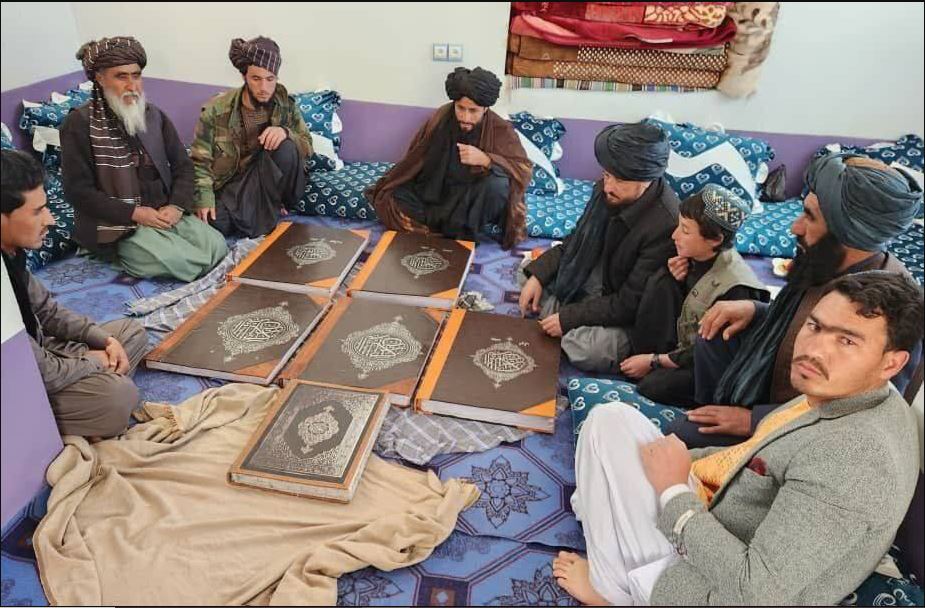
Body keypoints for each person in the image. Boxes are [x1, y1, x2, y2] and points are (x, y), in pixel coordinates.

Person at [555, 270, 922, 605]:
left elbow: (755, 591)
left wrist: (673, 491)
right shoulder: (850, 392)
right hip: (725, 514)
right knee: (612, 420)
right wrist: (683, 463)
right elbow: (755, 452)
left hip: (711, 587)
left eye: (847, 341)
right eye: (814, 326)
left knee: (605, 440)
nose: (814, 349)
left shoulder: (856, 460)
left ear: (892, 363)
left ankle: (611, 591)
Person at [669, 154, 923, 447]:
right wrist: (756, 310)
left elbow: (861, 413)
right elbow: (799, 320)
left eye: (809, 217)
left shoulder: (894, 307)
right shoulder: (825, 259)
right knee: (717, 328)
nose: (795, 228)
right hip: (778, 385)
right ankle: (712, 409)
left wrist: (754, 420)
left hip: (808, 432)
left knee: (682, 433)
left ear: (847, 232)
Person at [2, 149, 148, 437]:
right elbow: (41, 374)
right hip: (16, 382)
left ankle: (91, 391)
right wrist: (94, 361)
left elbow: (47, 311)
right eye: (37, 212)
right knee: (118, 398)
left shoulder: (11, 251)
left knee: (129, 333)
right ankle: (35, 426)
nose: (50, 220)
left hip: (38, 353)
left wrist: (103, 340)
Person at [60, 36, 227, 281]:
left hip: (162, 210)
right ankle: (116, 253)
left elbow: (183, 166)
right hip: (119, 222)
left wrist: (176, 206)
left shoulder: (154, 115)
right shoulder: (79, 123)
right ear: (100, 78)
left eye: (136, 76)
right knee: (181, 261)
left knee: (217, 247)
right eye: (121, 77)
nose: (132, 85)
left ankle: (159, 243)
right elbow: (78, 191)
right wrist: (135, 213)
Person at [519, 122, 679, 372]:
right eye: (606, 175)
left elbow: (629, 303)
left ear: (646, 180)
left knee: (591, 351)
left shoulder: (666, 224)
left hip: (626, 309)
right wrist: (539, 276)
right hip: (596, 275)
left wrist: (569, 318)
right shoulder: (606, 190)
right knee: (528, 273)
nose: (608, 186)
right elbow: (576, 241)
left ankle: (561, 319)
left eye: (619, 180)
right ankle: (563, 320)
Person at [620, 185, 768, 406]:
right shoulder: (695, 257)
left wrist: (654, 361)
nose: (674, 235)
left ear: (715, 239)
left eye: (685, 231)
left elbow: (710, 349)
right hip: (686, 344)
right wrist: (676, 280)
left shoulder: (736, 290)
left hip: (712, 366)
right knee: (662, 281)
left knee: (653, 385)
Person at [367, 66, 532, 249]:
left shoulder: (500, 129)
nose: (465, 117)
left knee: (498, 186)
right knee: (392, 194)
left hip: (470, 200)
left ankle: (462, 234)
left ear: (485, 109)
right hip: (436, 193)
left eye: (473, 111)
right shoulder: (441, 117)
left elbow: (523, 170)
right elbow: (415, 158)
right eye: (460, 108)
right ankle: (441, 228)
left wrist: (486, 160)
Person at [190, 36, 313, 238]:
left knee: (287, 147)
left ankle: (267, 209)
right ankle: (259, 213)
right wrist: (204, 197)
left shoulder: (285, 104)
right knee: (212, 221)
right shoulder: (216, 110)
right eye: (256, 79)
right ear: (244, 77)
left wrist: (285, 132)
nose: (264, 87)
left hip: (270, 177)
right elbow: (199, 161)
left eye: (270, 79)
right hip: (235, 184)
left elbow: (307, 145)